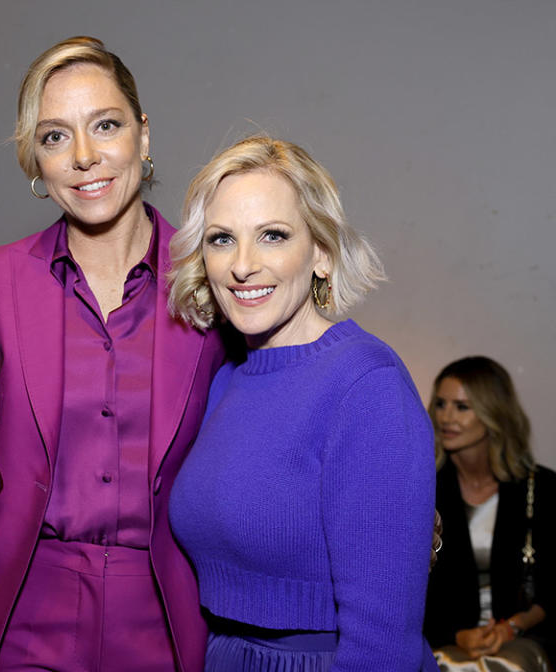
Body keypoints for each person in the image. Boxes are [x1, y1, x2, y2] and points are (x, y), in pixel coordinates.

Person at [0, 36, 225, 672]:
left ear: (143, 134)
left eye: (105, 125)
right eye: (54, 137)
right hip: (23, 603)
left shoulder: (211, 276)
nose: (83, 156)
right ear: (35, 163)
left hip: (169, 606)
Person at [167, 136, 438, 670]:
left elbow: (383, 647)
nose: (242, 265)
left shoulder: (365, 385)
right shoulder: (227, 379)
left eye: (273, 236)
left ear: (321, 252)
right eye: (222, 239)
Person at [424, 356, 554, 670]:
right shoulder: (425, 487)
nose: (446, 417)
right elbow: (411, 584)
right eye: (440, 404)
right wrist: (458, 634)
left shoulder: (541, 488)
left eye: (462, 407)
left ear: (493, 413)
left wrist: (514, 625)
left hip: (526, 635)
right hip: (443, 638)